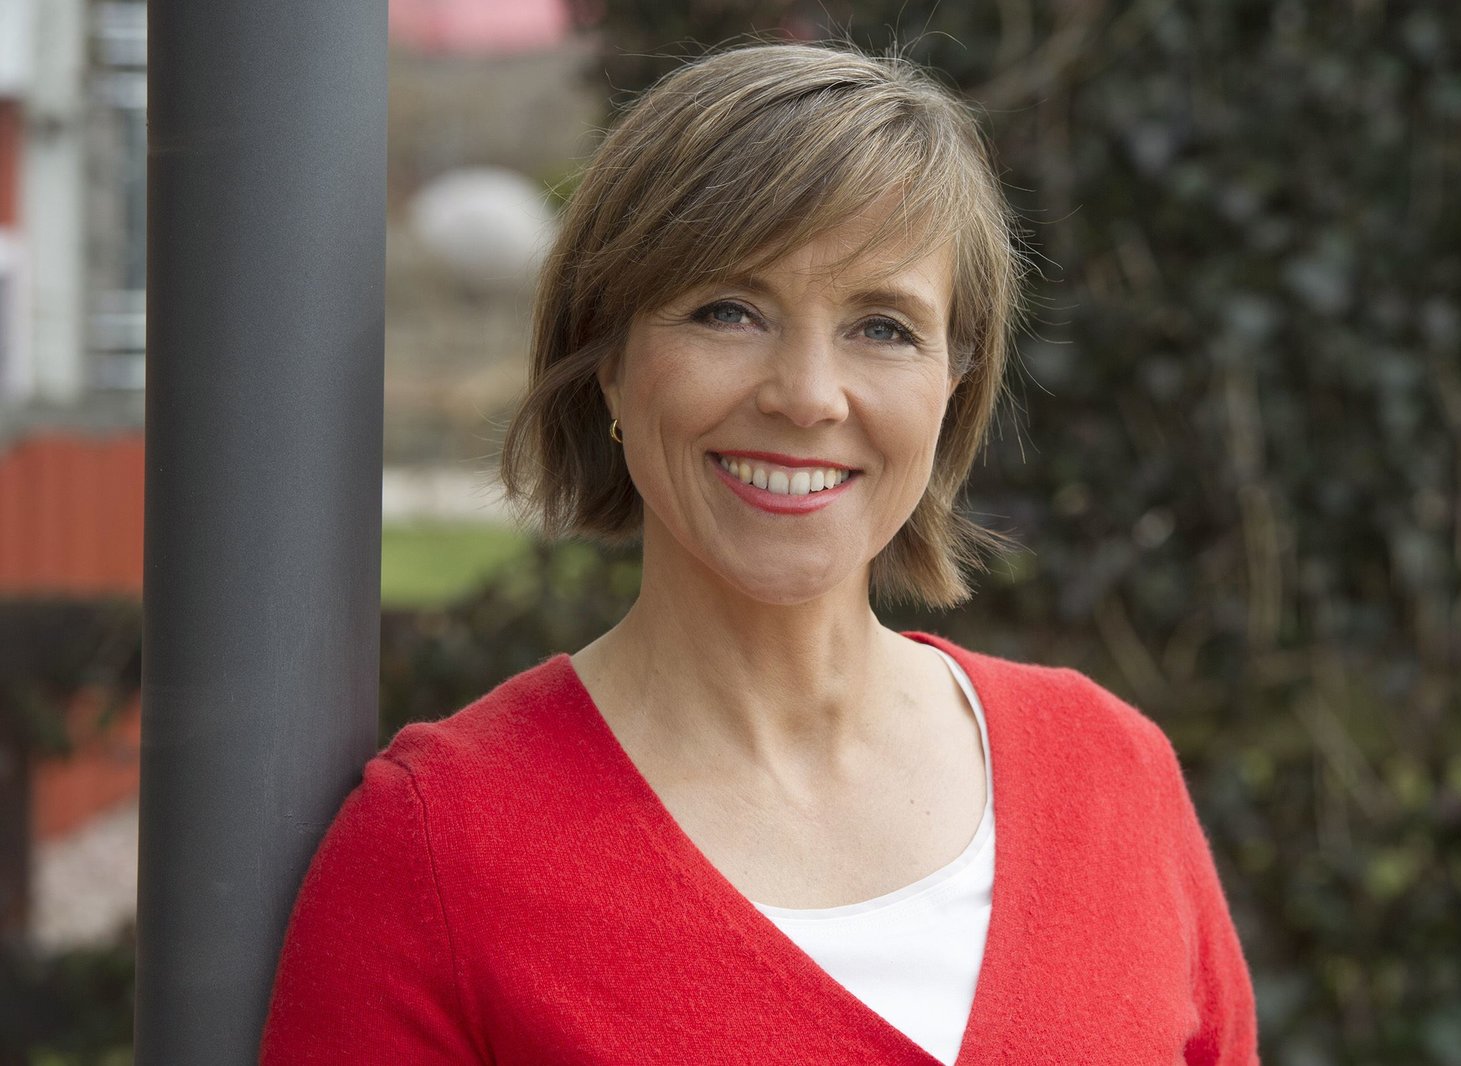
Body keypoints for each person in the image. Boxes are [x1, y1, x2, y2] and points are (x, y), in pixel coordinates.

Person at [260, 42, 1258, 1065]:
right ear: (608, 359)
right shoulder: (437, 850)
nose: (807, 395)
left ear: (955, 384)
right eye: (728, 312)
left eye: (883, 327)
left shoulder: (1112, 773)